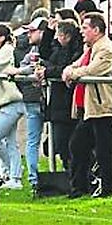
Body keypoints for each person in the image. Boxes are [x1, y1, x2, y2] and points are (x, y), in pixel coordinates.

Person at [62, 13, 112, 198]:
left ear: (96, 30)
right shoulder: (91, 48)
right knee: (77, 144)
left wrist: (73, 73)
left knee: (104, 149)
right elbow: (76, 65)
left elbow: (93, 70)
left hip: (103, 106)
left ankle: (109, 186)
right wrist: (69, 70)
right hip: (91, 107)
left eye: (85, 27)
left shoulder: (106, 49)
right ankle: (80, 187)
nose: (81, 31)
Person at [37, 19, 83, 170]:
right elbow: (45, 52)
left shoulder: (76, 50)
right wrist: (49, 31)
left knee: (71, 143)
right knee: (60, 143)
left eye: (59, 35)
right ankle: (68, 171)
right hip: (58, 104)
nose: (56, 39)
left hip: (69, 102)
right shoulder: (58, 49)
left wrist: (48, 71)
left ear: (67, 36)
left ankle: (75, 173)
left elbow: (65, 67)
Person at [11, 17, 48, 190]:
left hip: (46, 98)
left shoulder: (46, 47)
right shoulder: (32, 48)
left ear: (42, 31)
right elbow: (28, 64)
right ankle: (34, 180)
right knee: (33, 140)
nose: (28, 34)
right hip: (33, 98)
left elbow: (32, 67)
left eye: (32, 31)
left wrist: (18, 71)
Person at [0, 24, 25, 189]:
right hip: (4, 102)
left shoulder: (7, 50)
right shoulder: (1, 52)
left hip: (11, 101)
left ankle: (13, 171)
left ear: (3, 37)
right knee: (10, 141)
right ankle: (13, 177)